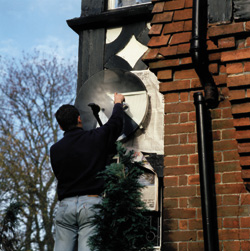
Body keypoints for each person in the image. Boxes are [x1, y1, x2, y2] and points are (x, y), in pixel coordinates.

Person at [50, 92, 124, 251]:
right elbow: (115, 124)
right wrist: (118, 103)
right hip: (90, 204)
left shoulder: (55, 150)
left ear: (61, 126)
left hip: (65, 207)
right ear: (79, 119)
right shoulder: (95, 138)